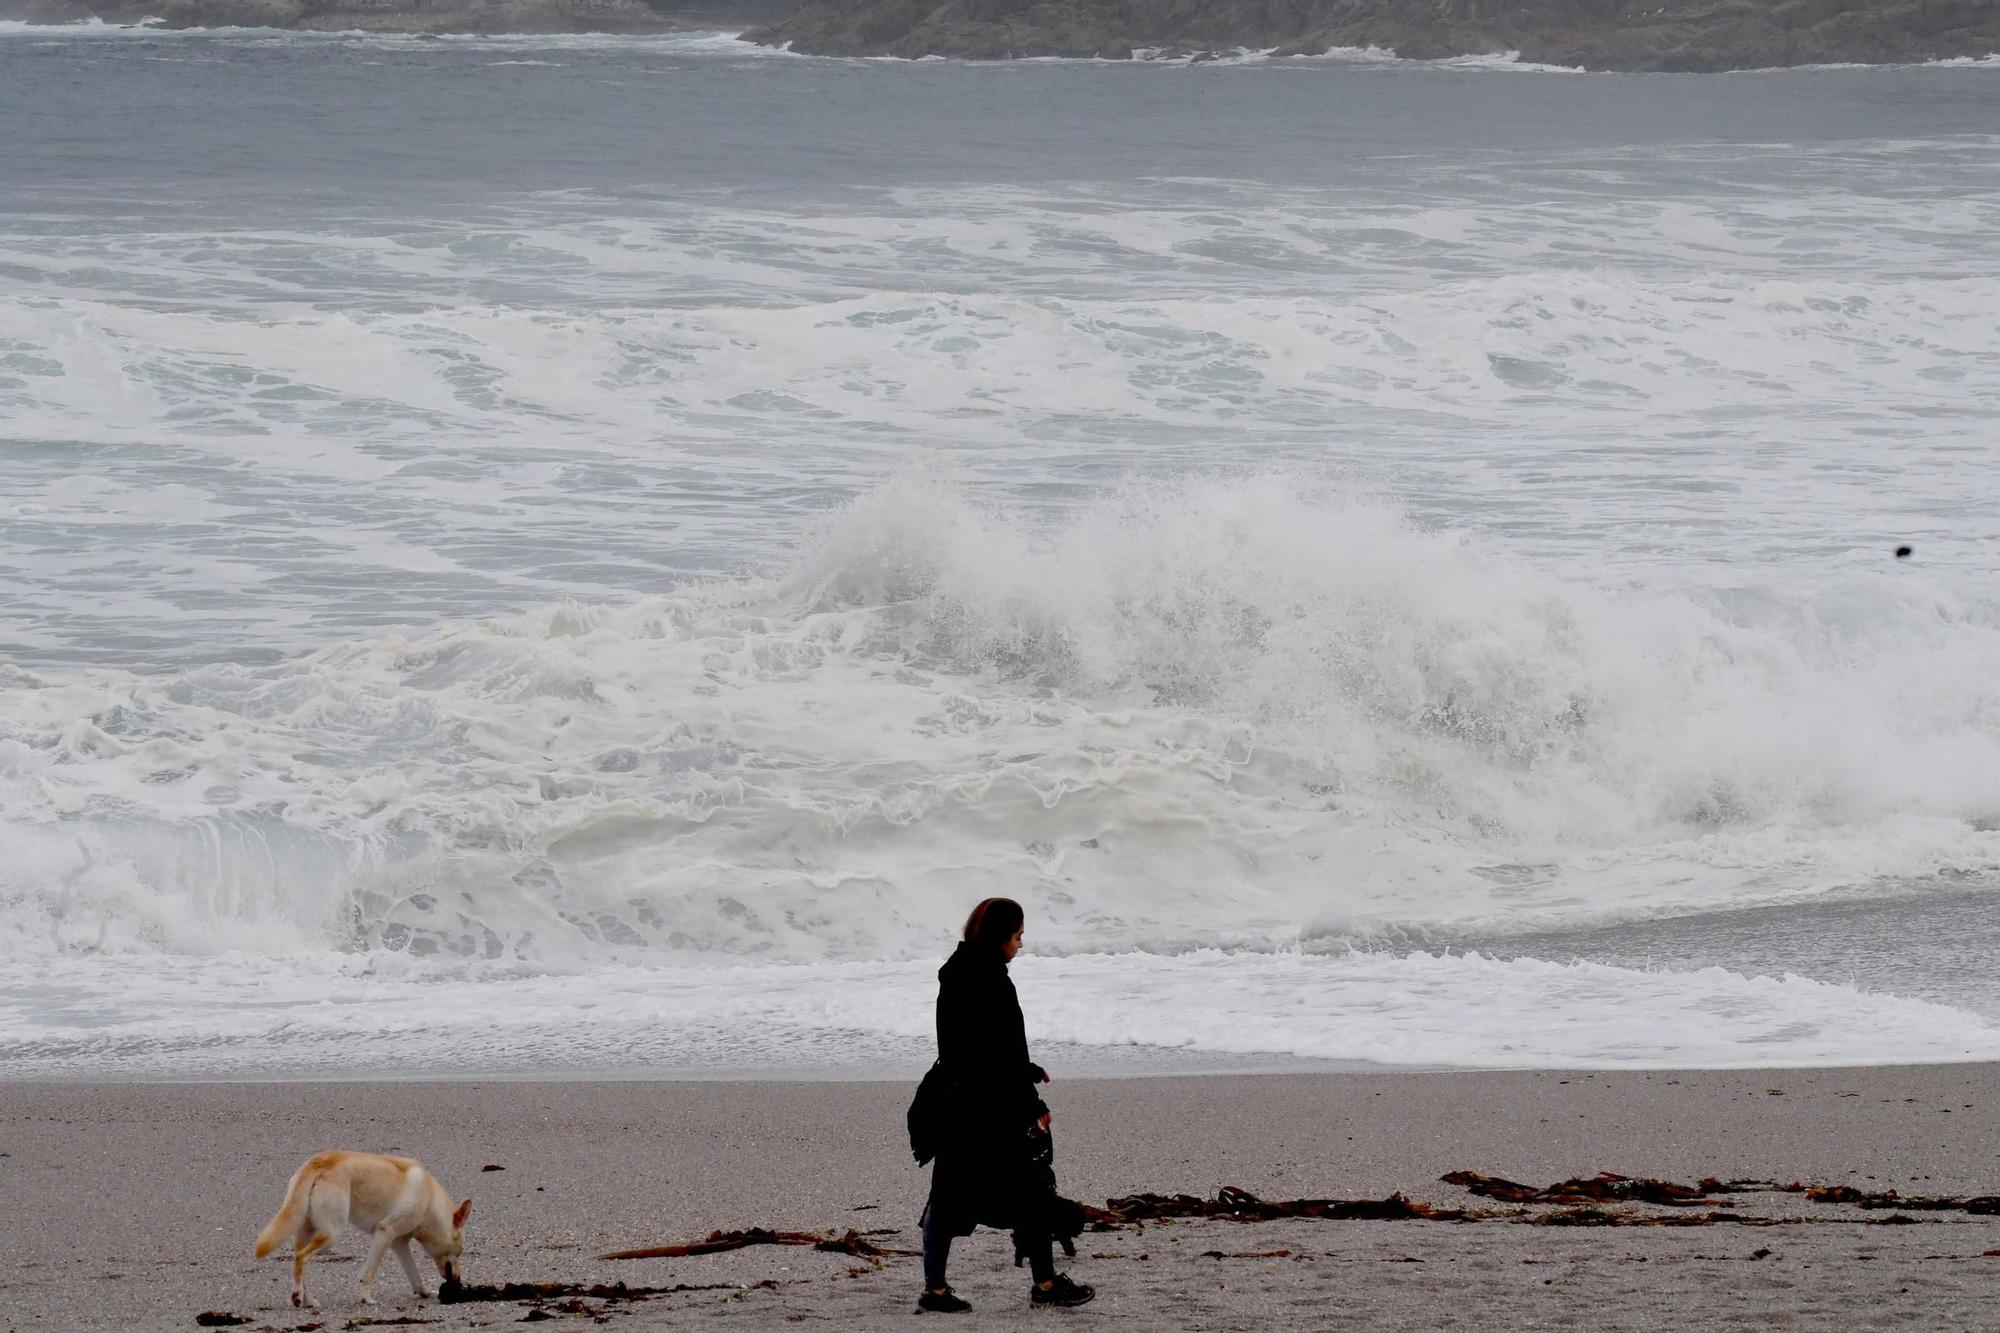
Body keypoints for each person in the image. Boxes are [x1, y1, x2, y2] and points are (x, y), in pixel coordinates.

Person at [916, 897, 1095, 1314]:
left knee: (946, 1199)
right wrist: (1033, 1103)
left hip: (955, 1100)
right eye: (1017, 936)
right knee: (1031, 1189)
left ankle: (935, 1290)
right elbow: (1000, 1051)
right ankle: (1046, 1285)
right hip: (991, 1107)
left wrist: (1025, 1069)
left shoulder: (956, 971)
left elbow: (972, 1047)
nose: (1019, 945)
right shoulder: (993, 979)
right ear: (1000, 936)